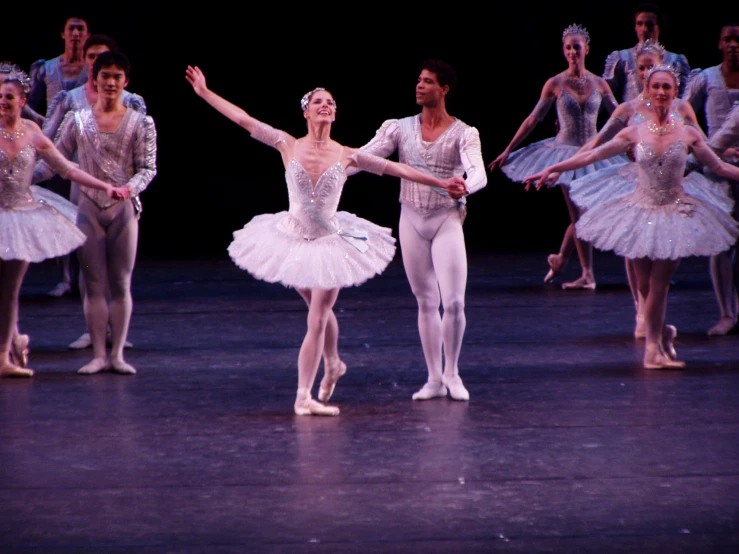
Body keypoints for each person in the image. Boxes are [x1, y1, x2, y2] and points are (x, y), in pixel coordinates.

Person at [185, 65, 468, 416]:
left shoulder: (347, 153)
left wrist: (442, 184)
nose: (325, 105)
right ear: (306, 111)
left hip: (331, 242)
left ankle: (303, 395)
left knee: (317, 316)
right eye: (318, 101)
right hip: (292, 238)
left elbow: (399, 169)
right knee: (318, 310)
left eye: (331, 102)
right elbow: (243, 119)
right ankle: (333, 363)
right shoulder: (285, 142)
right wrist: (205, 93)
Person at [523, 65, 739, 369]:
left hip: (674, 210)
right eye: (656, 87)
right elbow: (592, 155)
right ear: (647, 93)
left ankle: (652, 351)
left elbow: (719, 167)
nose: (662, 92)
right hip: (641, 208)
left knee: (660, 282)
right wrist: (554, 168)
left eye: (667, 87)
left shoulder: (688, 133)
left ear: (675, 93)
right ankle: (661, 331)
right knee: (643, 285)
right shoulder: (635, 131)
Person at [360, 58, 487, 402]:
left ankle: (452, 373)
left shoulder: (464, 132)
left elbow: (478, 171)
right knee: (426, 301)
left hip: (446, 218)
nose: (420, 85)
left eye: (428, 81)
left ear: (444, 90)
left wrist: (466, 186)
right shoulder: (399, 128)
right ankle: (433, 377)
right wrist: (326, 164)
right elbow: (364, 157)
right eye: (419, 80)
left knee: (455, 302)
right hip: (411, 219)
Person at [33, 51, 157, 375]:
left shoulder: (141, 122)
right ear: (95, 79)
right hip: (87, 210)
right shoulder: (78, 119)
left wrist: (129, 189)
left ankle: (117, 355)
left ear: (126, 82)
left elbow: (148, 167)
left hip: (124, 212)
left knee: (121, 281)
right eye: (106, 76)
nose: (111, 82)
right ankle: (99, 354)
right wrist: (22, 179)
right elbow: (55, 161)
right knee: (93, 280)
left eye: (118, 77)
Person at [0, 67, 122, 378]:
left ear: (22, 100)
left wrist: (103, 185)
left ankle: (5, 356)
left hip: (21, 216)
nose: (2, 101)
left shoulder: (34, 134)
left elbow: (67, 169)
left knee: (10, 292)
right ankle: (13, 341)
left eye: (9, 97)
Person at [489, 24, 624, 290]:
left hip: (594, 153)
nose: (573, 51)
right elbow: (532, 119)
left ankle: (562, 259)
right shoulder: (555, 83)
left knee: (584, 214)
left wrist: (639, 137)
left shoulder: (600, 84)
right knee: (580, 215)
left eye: (577, 46)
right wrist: (508, 148)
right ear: (564, 52)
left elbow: (620, 116)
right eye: (568, 47)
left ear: (587, 49)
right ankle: (587, 273)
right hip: (564, 153)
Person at [684, 21, 739, 335]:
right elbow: (682, 114)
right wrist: (695, 151)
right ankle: (725, 313)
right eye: (728, 40)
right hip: (714, 169)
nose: (733, 45)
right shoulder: (705, 78)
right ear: (720, 44)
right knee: (719, 243)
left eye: (738, 40)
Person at [603, 2, 691, 101]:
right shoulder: (623, 57)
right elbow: (605, 93)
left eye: (649, 24)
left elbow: (683, 98)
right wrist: (622, 113)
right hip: (632, 115)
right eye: (639, 24)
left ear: (659, 27)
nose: (644, 29)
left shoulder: (675, 60)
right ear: (635, 27)